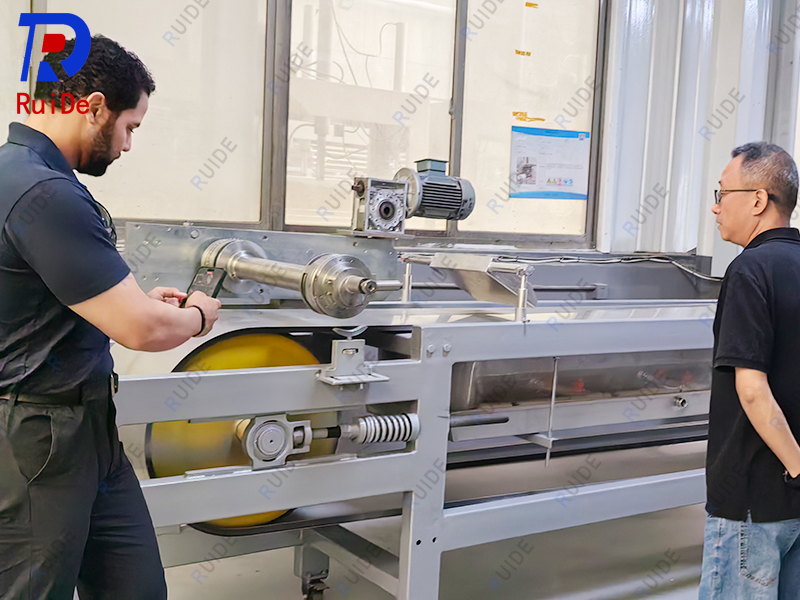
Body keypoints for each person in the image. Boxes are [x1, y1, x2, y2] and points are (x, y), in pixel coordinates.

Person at [0, 35, 221, 599]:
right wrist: (197, 316)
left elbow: (45, 303)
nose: (127, 145)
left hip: (88, 431)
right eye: (130, 127)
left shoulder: (21, 174)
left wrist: (136, 302)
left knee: (135, 587)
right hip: (42, 443)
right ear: (95, 107)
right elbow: (143, 331)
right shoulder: (43, 192)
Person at [699, 142, 800, 599]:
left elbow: (753, 390)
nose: (716, 207)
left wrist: (797, 468)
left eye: (723, 193)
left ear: (758, 200)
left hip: (751, 505)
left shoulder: (749, 270)